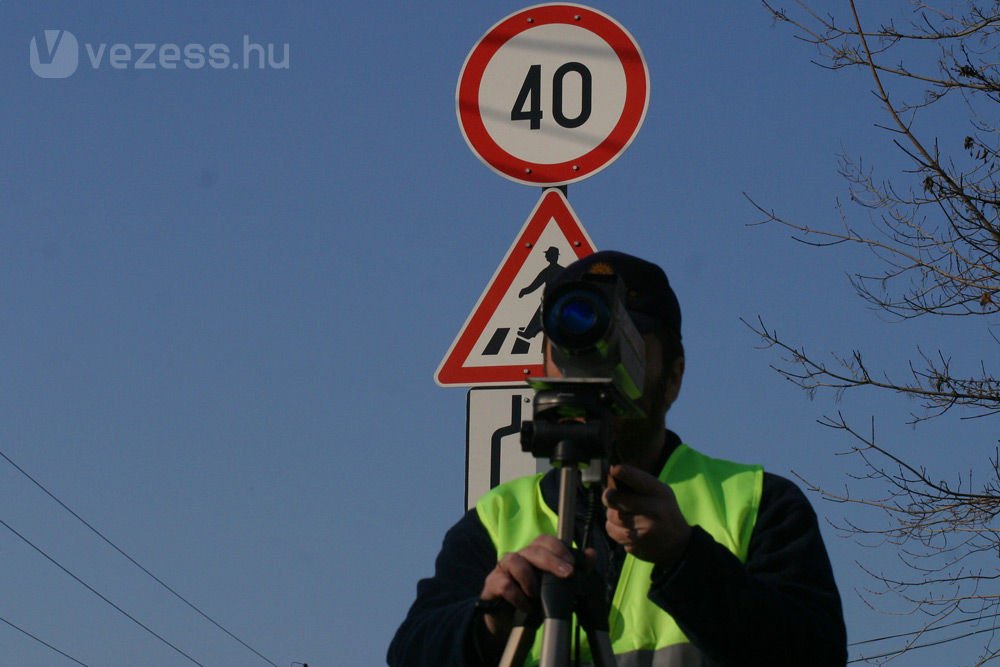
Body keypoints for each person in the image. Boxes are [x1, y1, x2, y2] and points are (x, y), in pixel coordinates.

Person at [388, 251, 848, 666]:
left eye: (624, 345)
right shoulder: (494, 522)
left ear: (673, 376)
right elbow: (410, 654)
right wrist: (487, 624)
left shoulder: (759, 505)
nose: (592, 364)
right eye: (572, 344)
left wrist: (686, 561)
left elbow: (817, 654)